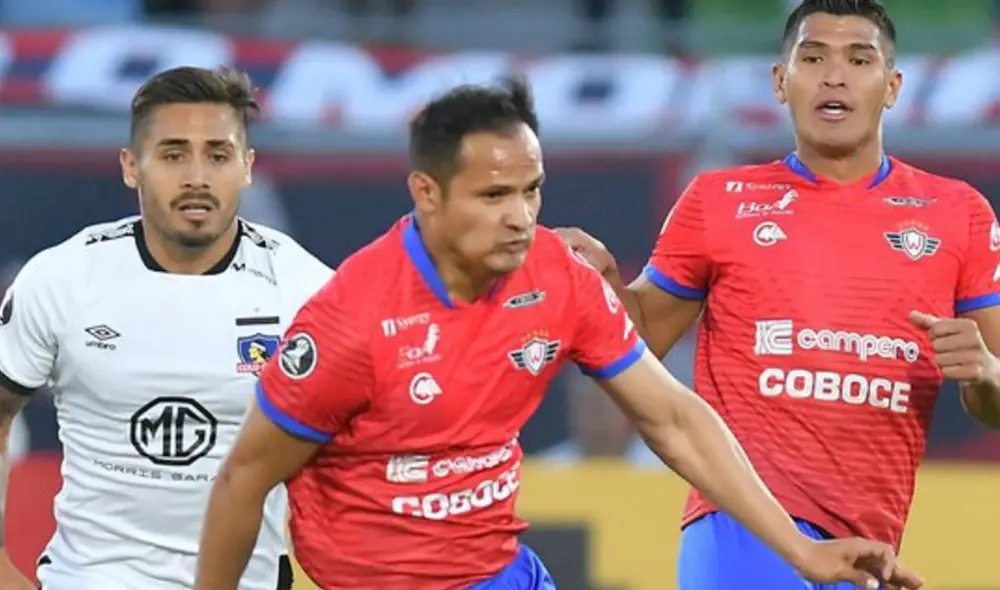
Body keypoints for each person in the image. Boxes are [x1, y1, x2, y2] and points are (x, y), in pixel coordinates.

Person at [193, 78, 921, 590]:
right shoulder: (351, 321)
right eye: (493, 195)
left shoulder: (557, 277)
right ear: (427, 193)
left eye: (531, 190)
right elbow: (243, 480)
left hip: (501, 574)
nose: (520, 216)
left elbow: (671, 417)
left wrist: (799, 550)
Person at [555, 0, 1000, 588]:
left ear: (892, 86)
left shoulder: (958, 213)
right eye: (812, 58)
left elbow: (994, 403)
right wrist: (602, 287)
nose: (834, 76)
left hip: (870, 547)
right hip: (741, 527)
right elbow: (640, 346)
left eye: (858, 60)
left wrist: (986, 372)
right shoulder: (718, 200)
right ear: (780, 82)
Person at [0, 66, 333, 590]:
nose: (197, 177)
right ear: (132, 166)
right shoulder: (62, 278)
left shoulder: (308, 291)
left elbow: (366, 445)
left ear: (247, 167)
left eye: (218, 155)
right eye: (174, 155)